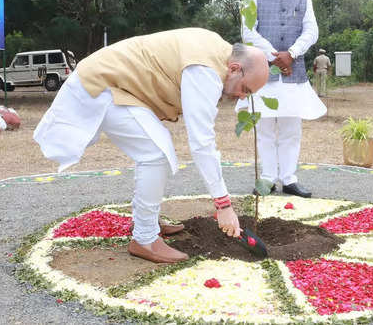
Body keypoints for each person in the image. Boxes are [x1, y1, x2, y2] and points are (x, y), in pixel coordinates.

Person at [33, 28, 269, 263]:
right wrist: (223, 205)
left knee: (156, 149)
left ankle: (148, 222)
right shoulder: (205, 69)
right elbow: (201, 142)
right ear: (235, 69)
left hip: (116, 84)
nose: (241, 96)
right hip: (105, 85)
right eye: (245, 89)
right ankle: (145, 238)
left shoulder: (216, 50)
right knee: (156, 154)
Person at [237, 0, 326, 198]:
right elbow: (248, 32)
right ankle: (266, 179)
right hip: (262, 73)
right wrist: (276, 55)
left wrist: (292, 54)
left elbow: (311, 31)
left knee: (290, 130)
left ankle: (289, 179)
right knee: (264, 129)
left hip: (293, 73)